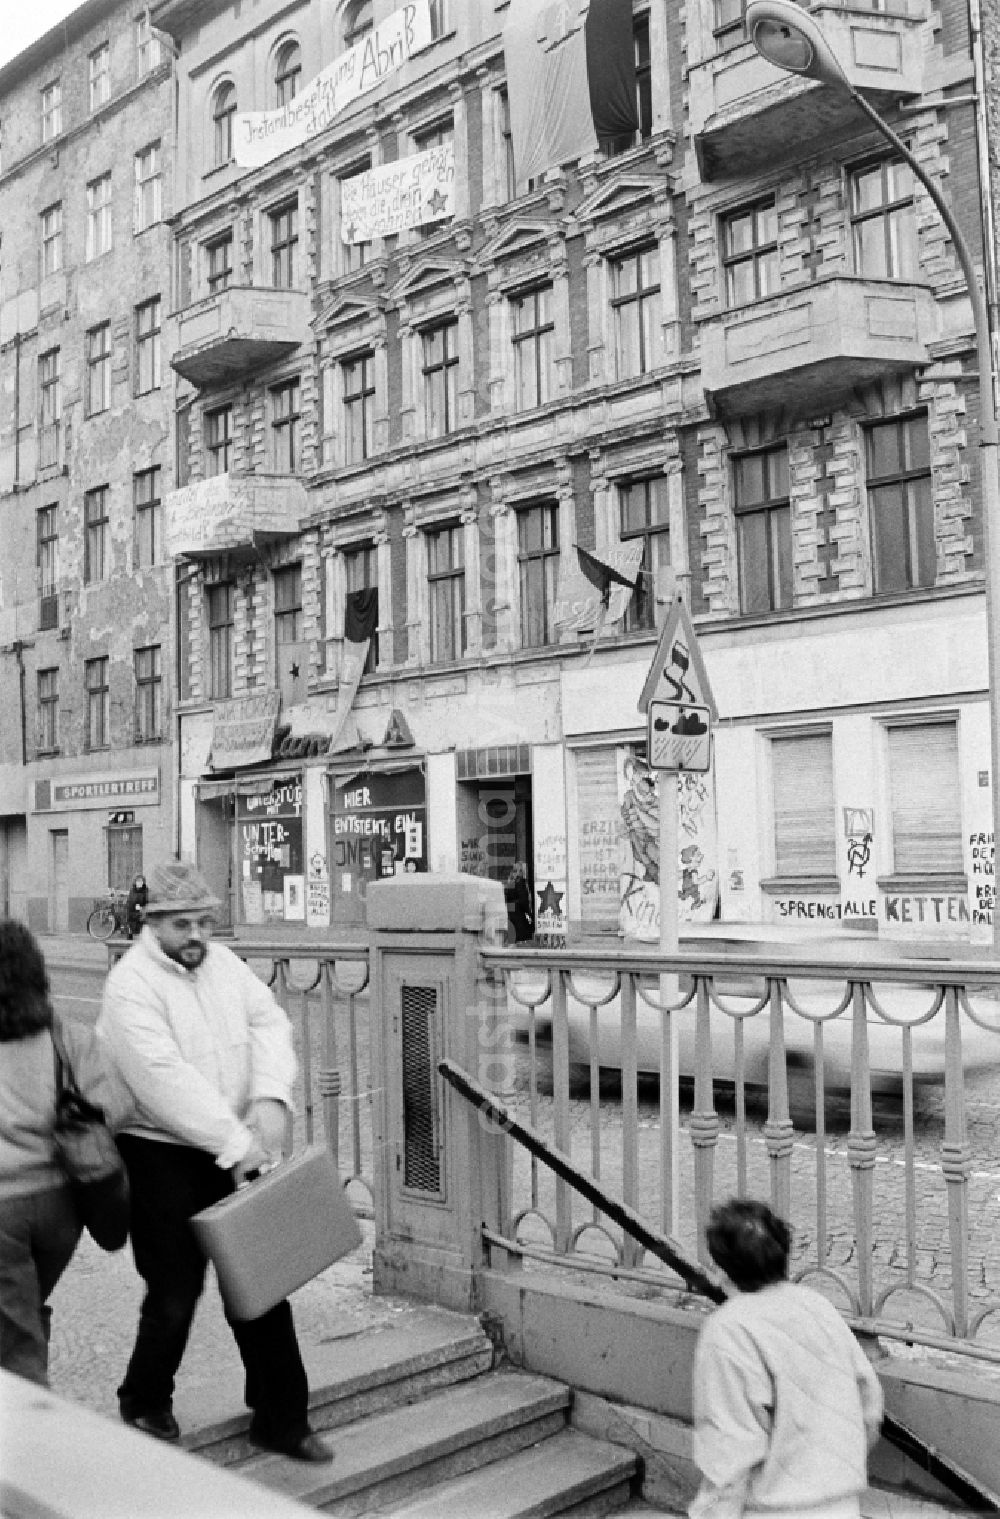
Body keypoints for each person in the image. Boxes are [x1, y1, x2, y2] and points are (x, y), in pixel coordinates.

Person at [96, 859, 333, 1462]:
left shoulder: (224, 965)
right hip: (159, 1153)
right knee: (175, 1287)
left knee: (260, 1282)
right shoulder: (130, 985)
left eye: (204, 921)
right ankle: (145, 1399)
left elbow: (268, 1022)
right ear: (152, 923)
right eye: (181, 924)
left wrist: (271, 1096)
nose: (197, 935)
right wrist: (238, 1143)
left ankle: (282, 1419)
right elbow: (163, 1082)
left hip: (233, 1144)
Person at [690, 1198, 883, 1519]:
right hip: (841, 1505)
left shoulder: (727, 1330)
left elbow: (729, 1450)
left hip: (772, 1508)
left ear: (721, 1270)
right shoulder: (818, 1306)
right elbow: (869, 1402)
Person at [0, 919, 125, 1385]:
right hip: (62, 1210)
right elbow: (114, 1105)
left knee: (17, 1347)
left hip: (3, 1215)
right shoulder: (64, 1036)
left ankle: (33, 1439)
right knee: (22, 1312)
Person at [504, 861, 534, 943]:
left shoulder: (510, 883)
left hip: (511, 917)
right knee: (522, 940)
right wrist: (531, 914)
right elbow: (524, 901)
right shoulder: (521, 882)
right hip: (520, 917)